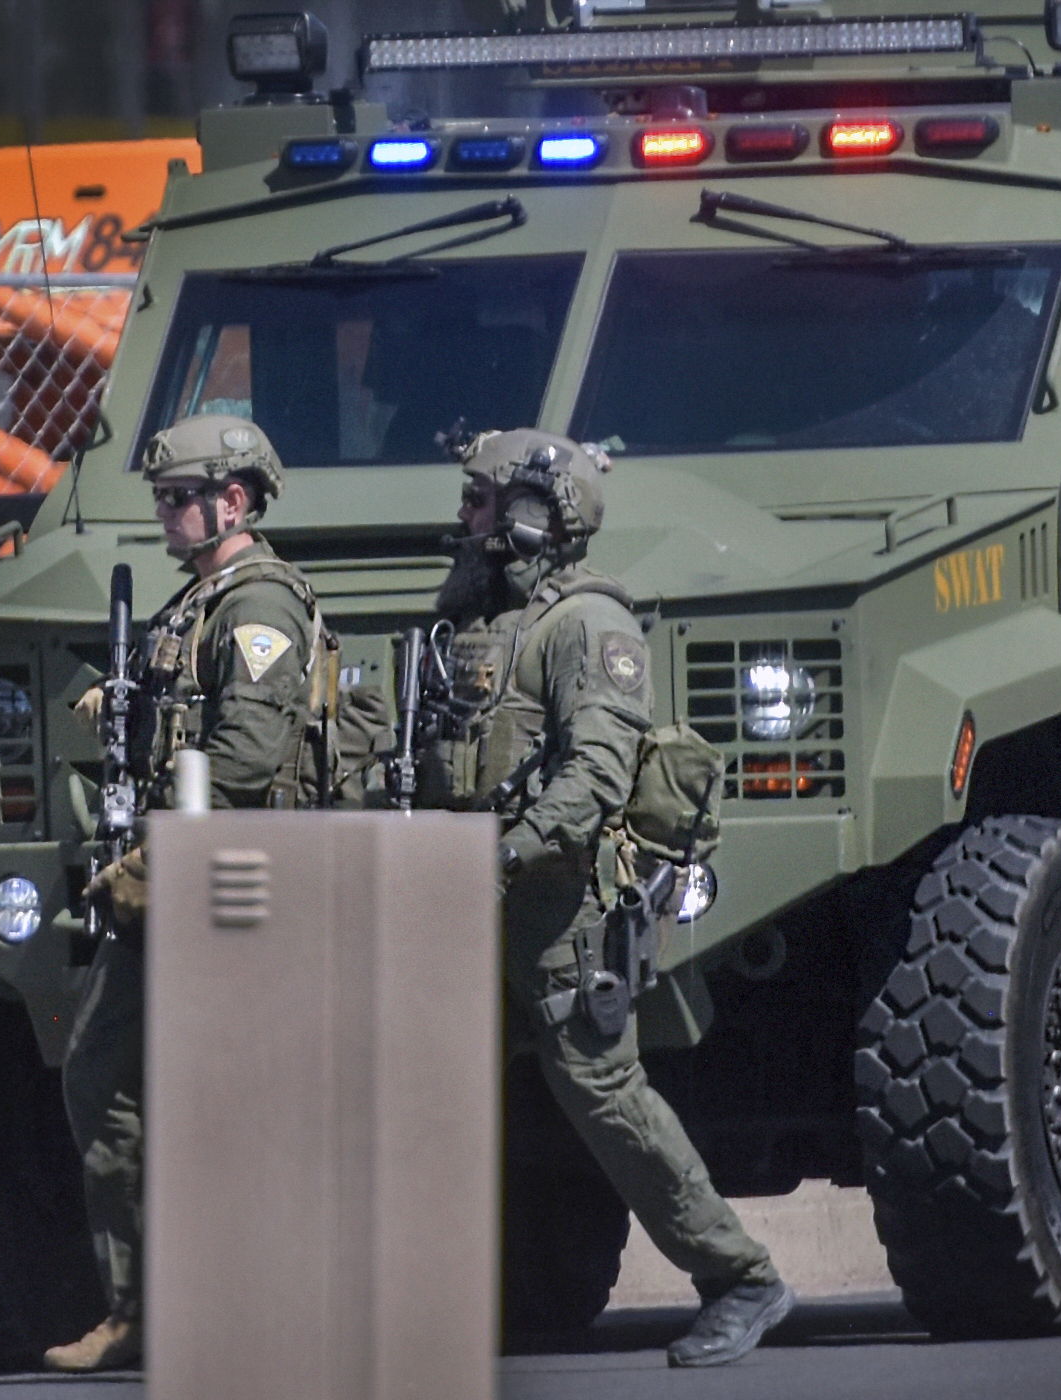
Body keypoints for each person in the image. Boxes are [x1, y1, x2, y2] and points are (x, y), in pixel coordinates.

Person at [416, 428, 792, 1367]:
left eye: (478, 501)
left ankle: (741, 1278)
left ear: (532, 516)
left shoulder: (589, 627)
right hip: (477, 898)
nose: (462, 518)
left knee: (606, 1095)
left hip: (559, 907)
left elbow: (592, 775)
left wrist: (505, 853)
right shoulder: (474, 623)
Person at [49, 415, 323, 1370]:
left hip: (230, 886)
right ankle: (142, 1307)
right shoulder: (192, 607)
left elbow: (247, 758)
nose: (164, 513)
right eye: (161, 498)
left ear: (232, 502)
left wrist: (152, 848)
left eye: (178, 497)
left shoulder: (258, 610)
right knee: (102, 1077)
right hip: (173, 882)